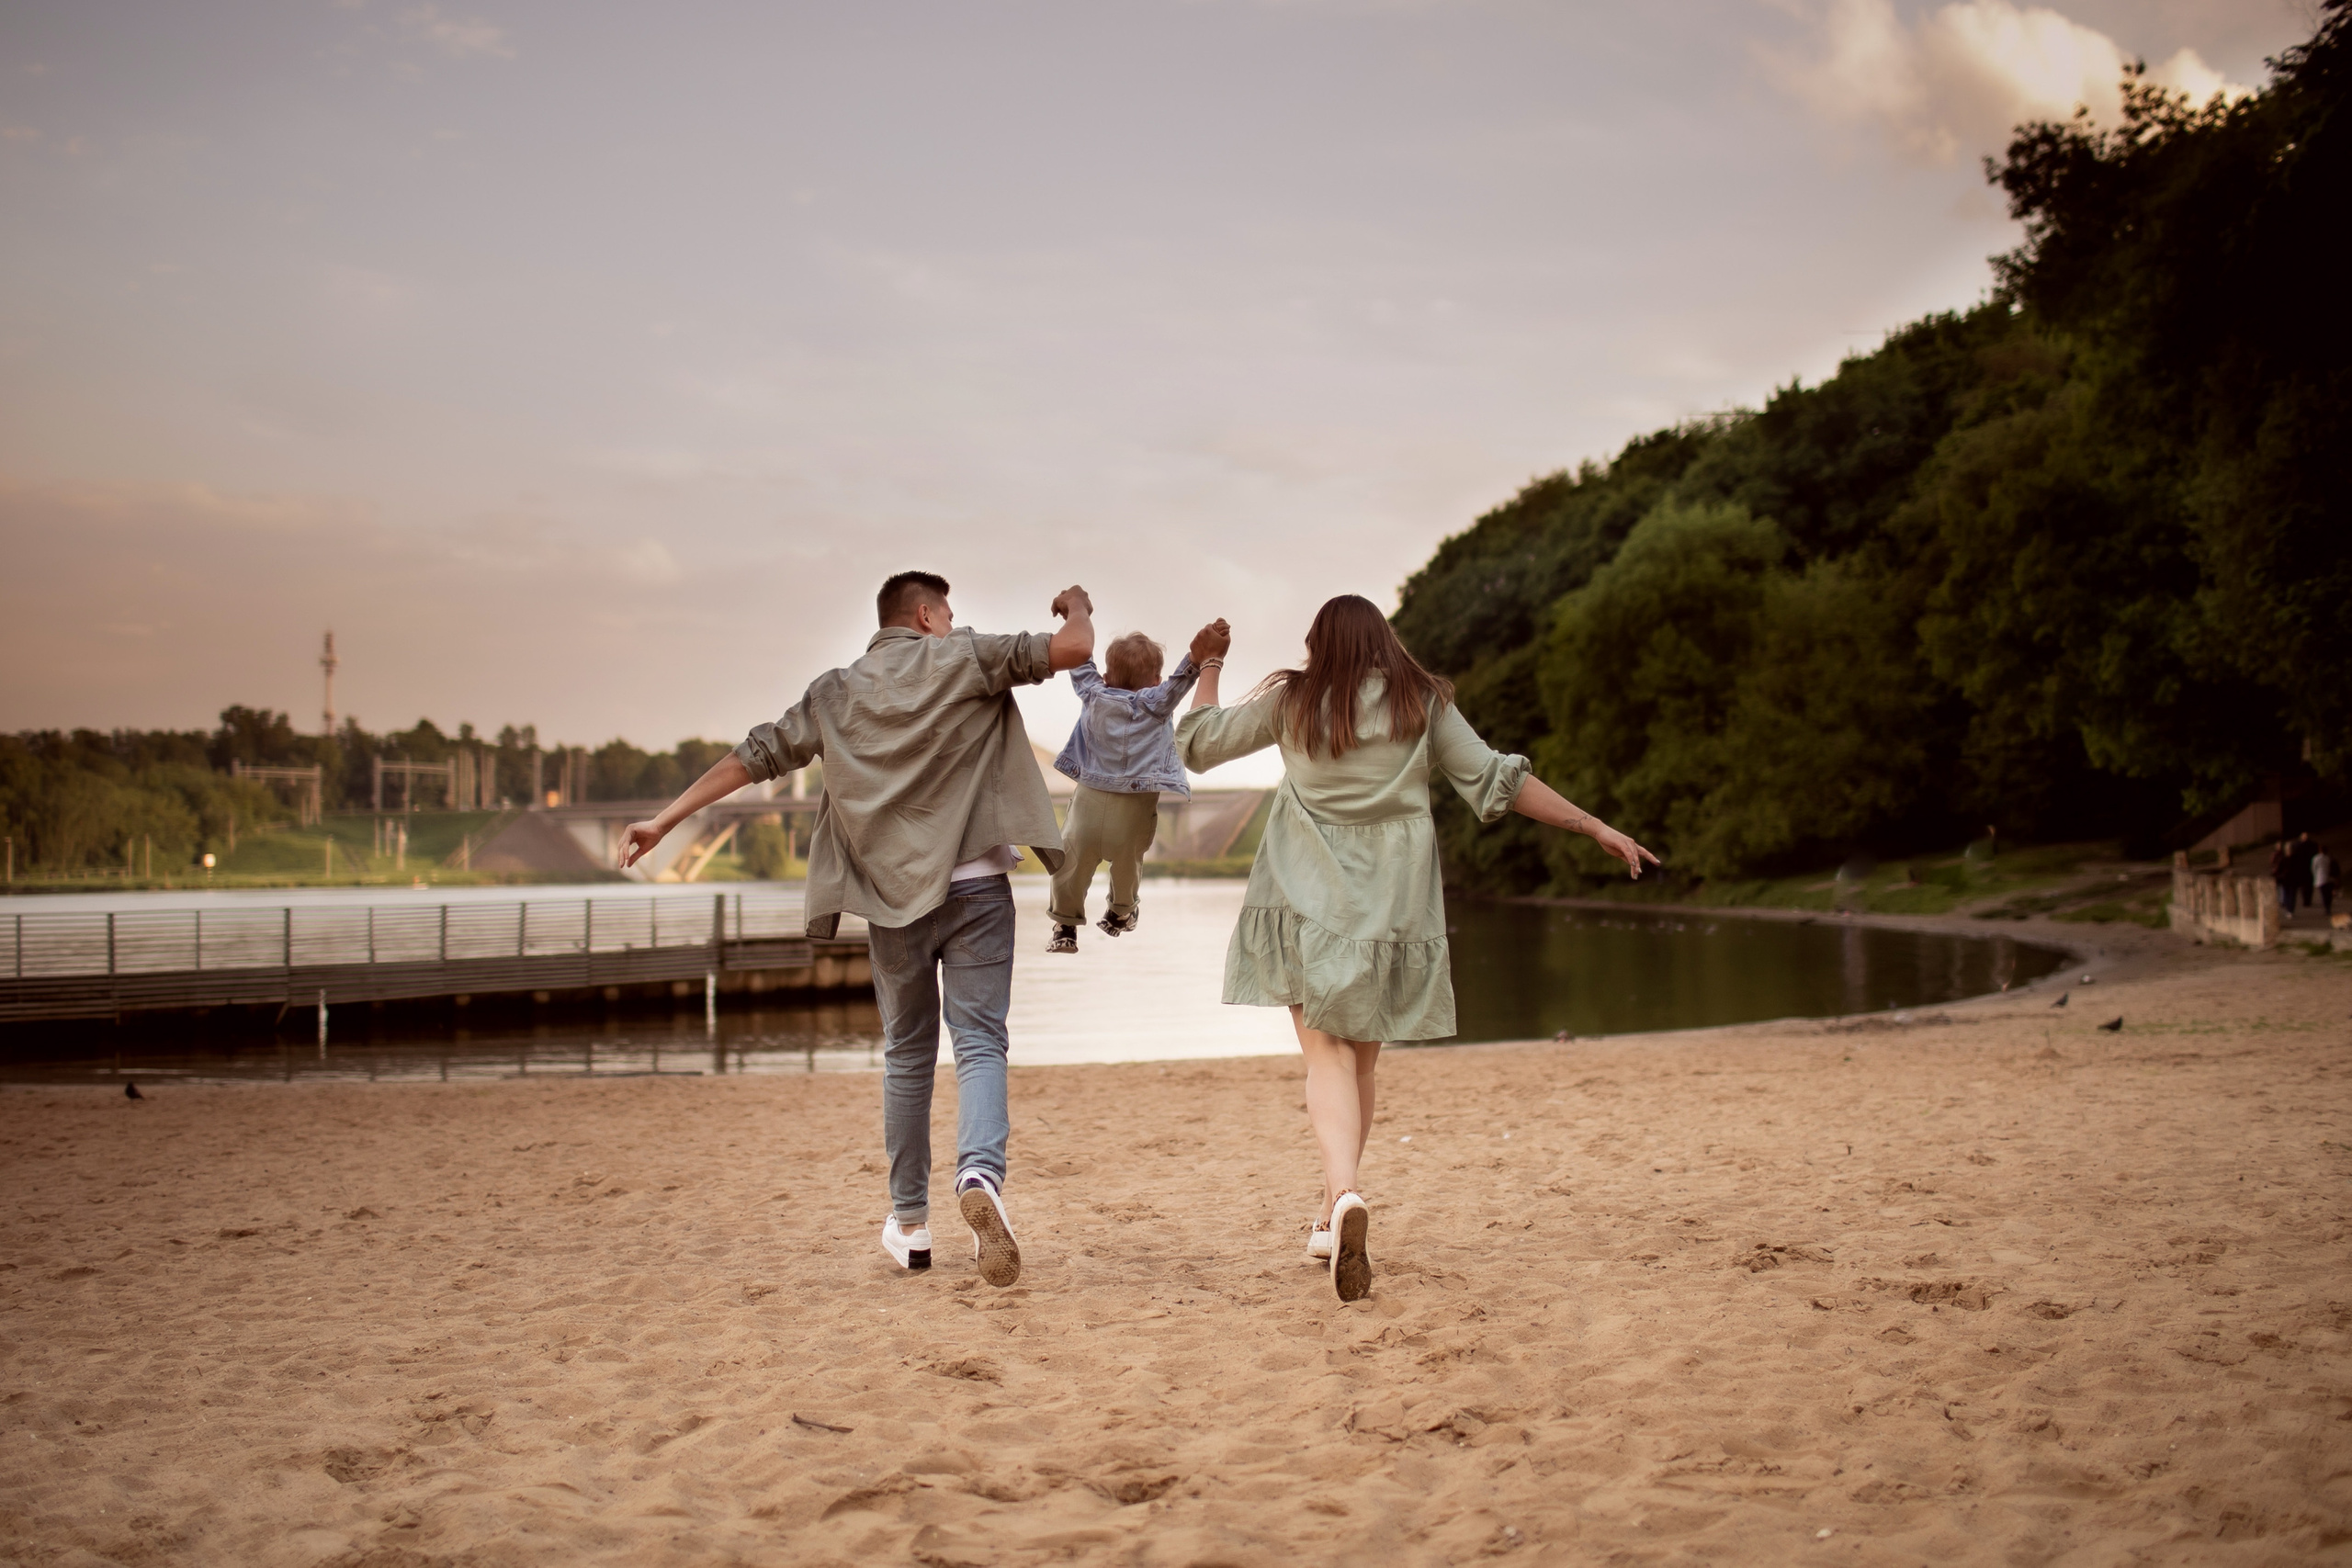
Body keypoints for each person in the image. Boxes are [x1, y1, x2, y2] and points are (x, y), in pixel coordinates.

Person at [617, 571, 1095, 1288]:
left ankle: (910, 1223)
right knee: (979, 1041)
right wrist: (1077, 603)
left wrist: (664, 819)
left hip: (890, 903)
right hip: (977, 891)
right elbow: (1075, 646)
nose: (955, 619)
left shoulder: (833, 693)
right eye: (950, 610)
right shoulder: (965, 656)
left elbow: (751, 757)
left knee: (907, 1053)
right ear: (928, 615)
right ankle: (980, 1175)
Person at [1175, 594, 1657, 1303]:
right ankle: (1330, 1210)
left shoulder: (1295, 700)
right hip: (1392, 909)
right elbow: (1499, 780)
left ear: (1319, 647)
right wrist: (1592, 826)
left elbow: (1200, 742)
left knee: (1324, 1058)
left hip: (1306, 901)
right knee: (1360, 1062)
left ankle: (1343, 1194)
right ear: (1383, 642)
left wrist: (1209, 663)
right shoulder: (1419, 703)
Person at [1044, 621, 1227, 952]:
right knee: (1128, 863)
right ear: (1154, 680)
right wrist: (1197, 655)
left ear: (1107, 677)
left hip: (1088, 801)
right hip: (1133, 808)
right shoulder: (1157, 701)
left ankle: (1065, 925)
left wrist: (1076, 614)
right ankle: (1120, 913)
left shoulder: (1093, 692)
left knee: (1071, 863)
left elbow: (1079, 661)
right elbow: (1181, 681)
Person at [2271, 838, 2297, 917]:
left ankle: (2290, 910)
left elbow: (2278, 869)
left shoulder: (2287, 859)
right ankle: (2290, 909)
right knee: (2289, 895)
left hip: (2288, 879)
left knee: (2289, 895)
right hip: (2288, 879)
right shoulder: (2287, 859)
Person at [2315, 842, 2338, 921]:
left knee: (2324, 894)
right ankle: (2328, 907)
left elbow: (2314, 869)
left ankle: (2327, 907)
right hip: (2330, 879)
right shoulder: (2330, 858)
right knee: (2328, 895)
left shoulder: (2317, 858)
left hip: (2322, 879)